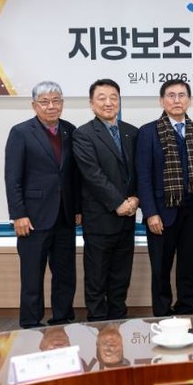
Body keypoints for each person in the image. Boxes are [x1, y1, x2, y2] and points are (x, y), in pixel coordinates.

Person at [4, 81, 80, 329]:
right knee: (32, 276)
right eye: (45, 102)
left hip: (64, 216)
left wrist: (77, 208)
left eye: (56, 101)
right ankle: (30, 322)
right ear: (34, 105)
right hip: (33, 218)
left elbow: (74, 175)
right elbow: (12, 177)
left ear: (62, 103)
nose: (51, 106)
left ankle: (62, 318)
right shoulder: (21, 132)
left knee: (65, 274)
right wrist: (18, 214)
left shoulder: (70, 130)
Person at [136, 79, 193, 317]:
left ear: (189, 100)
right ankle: (162, 312)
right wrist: (150, 213)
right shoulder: (148, 132)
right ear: (161, 101)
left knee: (190, 265)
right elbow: (143, 176)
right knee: (161, 267)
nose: (177, 100)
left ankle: (186, 309)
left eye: (182, 95)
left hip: (192, 211)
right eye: (171, 95)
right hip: (161, 212)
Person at [73, 78, 139, 322]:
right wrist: (118, 203)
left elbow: (139, 170)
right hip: (100, 218)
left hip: (128, 217)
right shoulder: (83, 134)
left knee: (121, 277)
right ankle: (98, 325)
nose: (108, 102)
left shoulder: (132, 132)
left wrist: (136, 198)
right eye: (102, 98)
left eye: (114, 97)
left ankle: (118, 323)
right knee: (97, 277)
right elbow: (92, 174)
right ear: (91, 104)